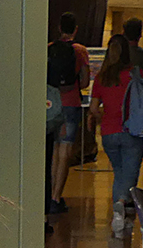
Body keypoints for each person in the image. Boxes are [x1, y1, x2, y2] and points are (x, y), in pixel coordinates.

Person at [88, 34, 143, 234]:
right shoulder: (135, 74)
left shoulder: (102, 77)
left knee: (119, 173)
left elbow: (94, 107)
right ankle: (120, 206)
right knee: (130, 173)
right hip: (132, 130)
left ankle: (122, 218)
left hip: (109, 132)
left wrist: (104, 118)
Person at [48, 11, 89, 213]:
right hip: (70, 103)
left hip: (50, 105)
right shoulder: (80, 50)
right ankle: (56, 197)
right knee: (65, 151)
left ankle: (48, 195)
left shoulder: (49, 49)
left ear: (58, 28)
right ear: (75, 29)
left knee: (53, 151)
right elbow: (84, 81)